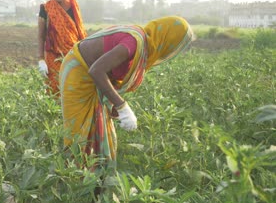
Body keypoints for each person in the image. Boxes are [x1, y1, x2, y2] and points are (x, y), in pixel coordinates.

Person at [59, 16, 194, 173]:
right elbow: (96, 70)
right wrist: (121, 106)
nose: (171, 51)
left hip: (94, 74)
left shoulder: (144, 44)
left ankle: (96, 180)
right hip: (78, 72)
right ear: (168, 38)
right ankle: (73, 181)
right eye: (175, 45)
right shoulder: (134, 42)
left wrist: (112, 101)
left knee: (99, 125)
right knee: (78, 131)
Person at [37, 0, 87, 96]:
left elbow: (79, 31)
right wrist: (41, 59)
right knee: (54, 88)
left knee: (74, 87)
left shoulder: (73, 8)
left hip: (73, 53)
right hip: (53, 55)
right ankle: (55, 114)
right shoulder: (46, 8)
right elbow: (41, 36)